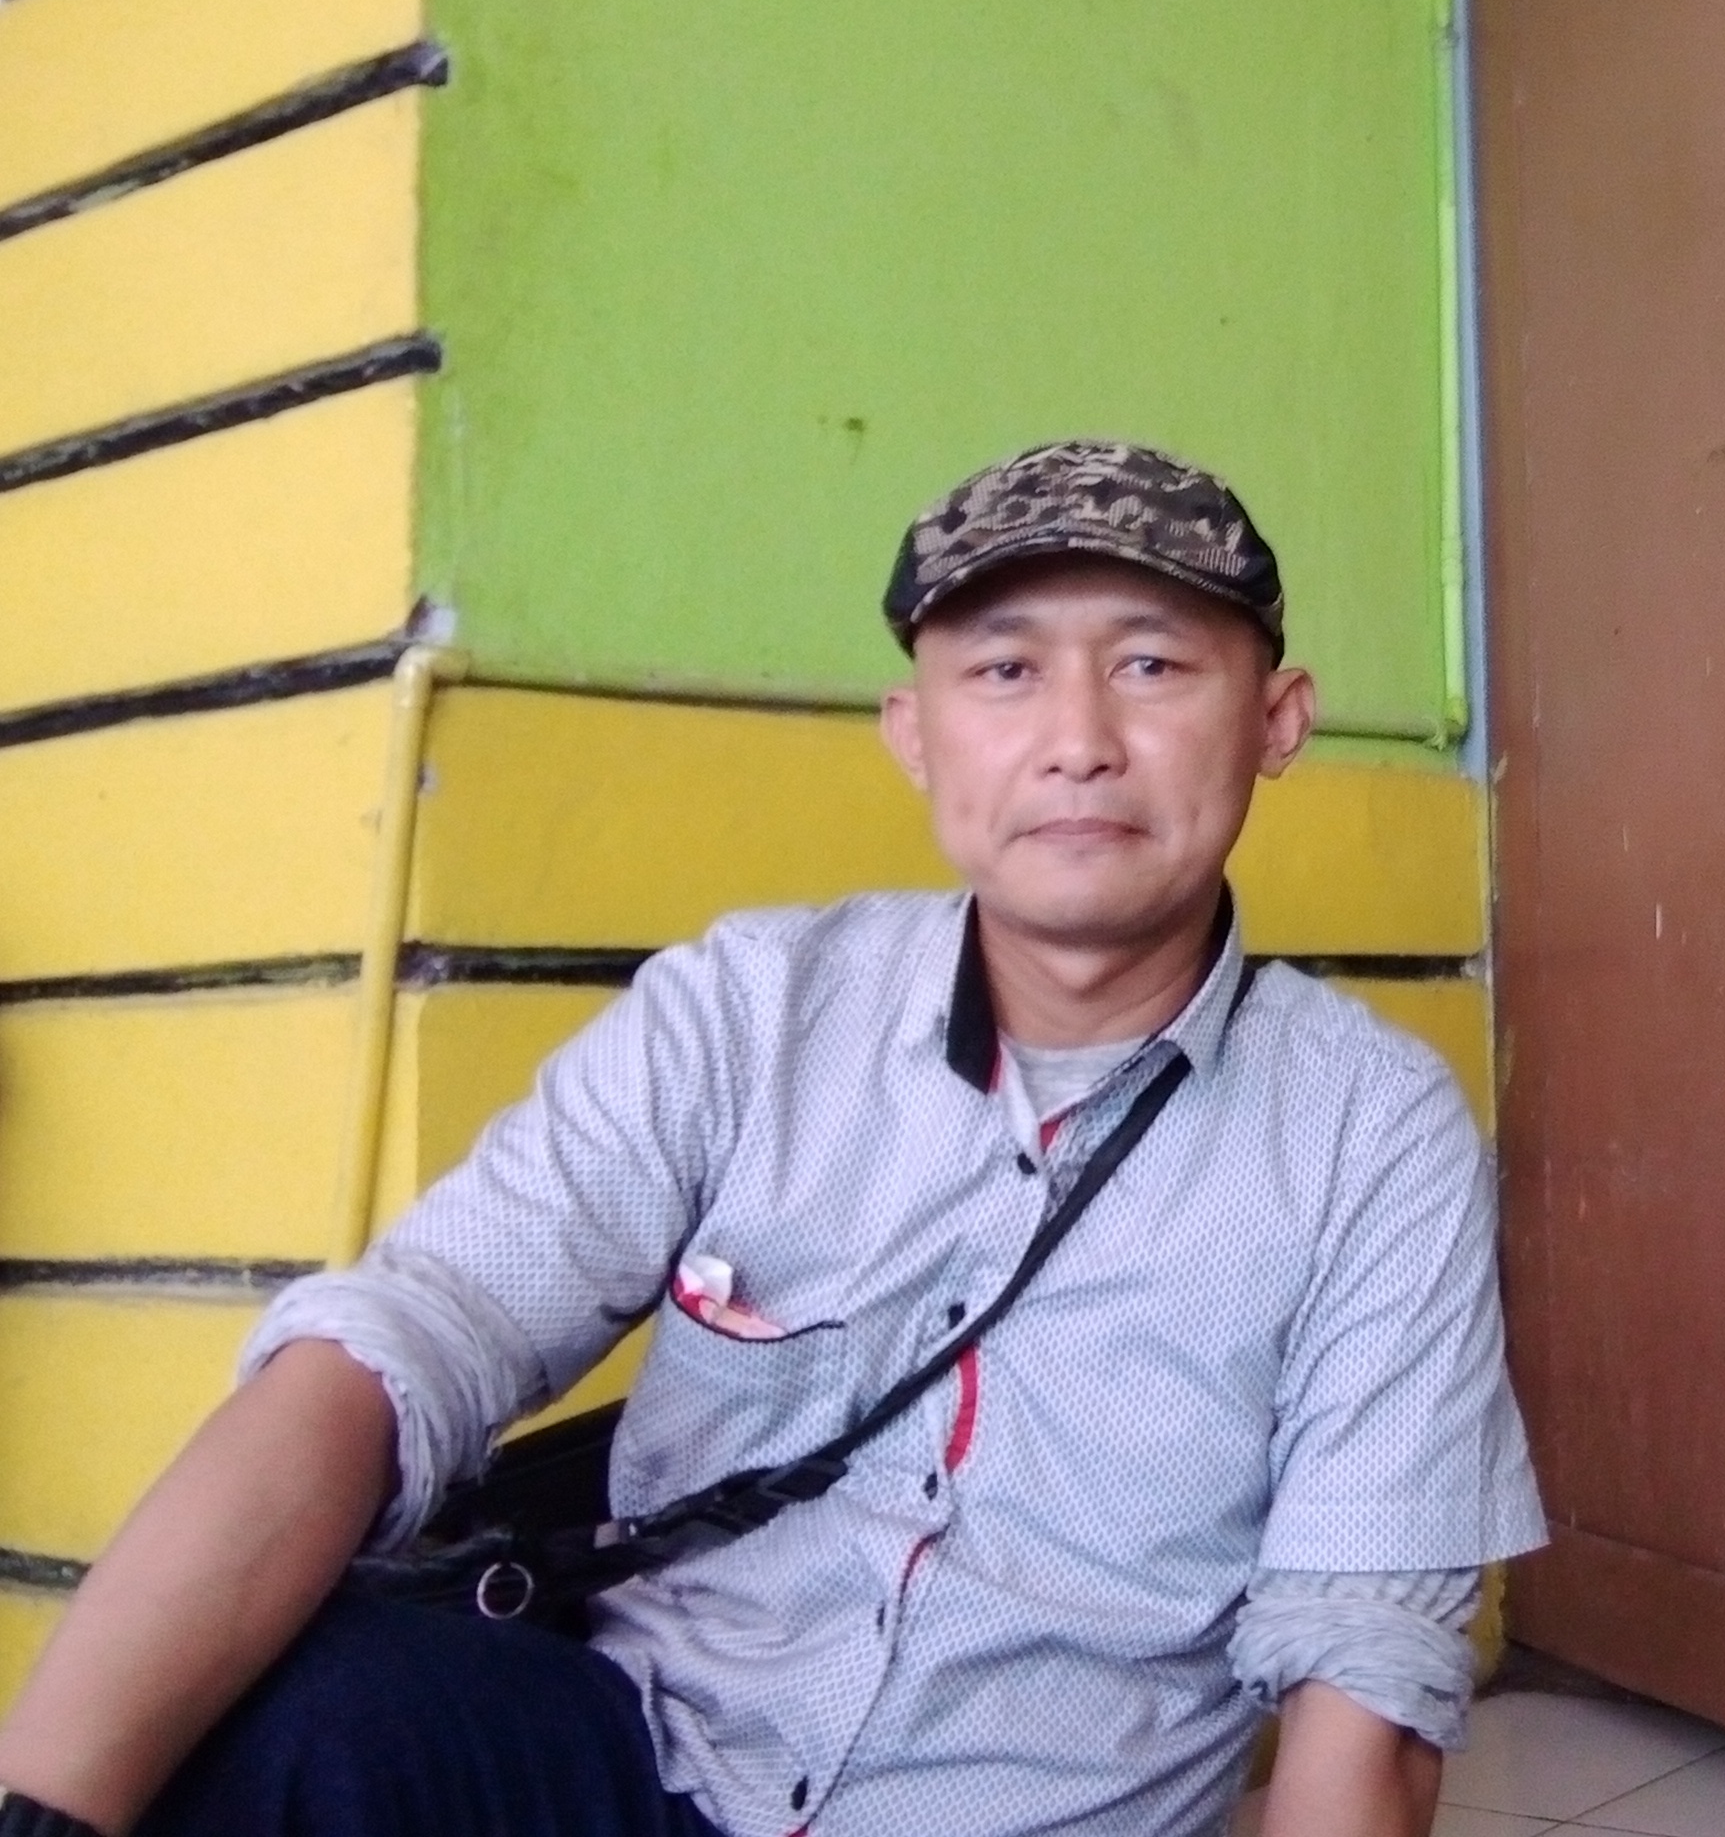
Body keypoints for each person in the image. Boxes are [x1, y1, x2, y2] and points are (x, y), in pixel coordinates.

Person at [0, 441, 1544, 1837]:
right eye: (1005, 672)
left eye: (1151, 665)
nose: (1078, 740)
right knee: (289, 1704)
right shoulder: (749, 1009)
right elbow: (410, 1339)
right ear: (915, 734)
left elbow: (1364, 1664)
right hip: (654, 1756)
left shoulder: (1372, 1137)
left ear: (1276, 721)